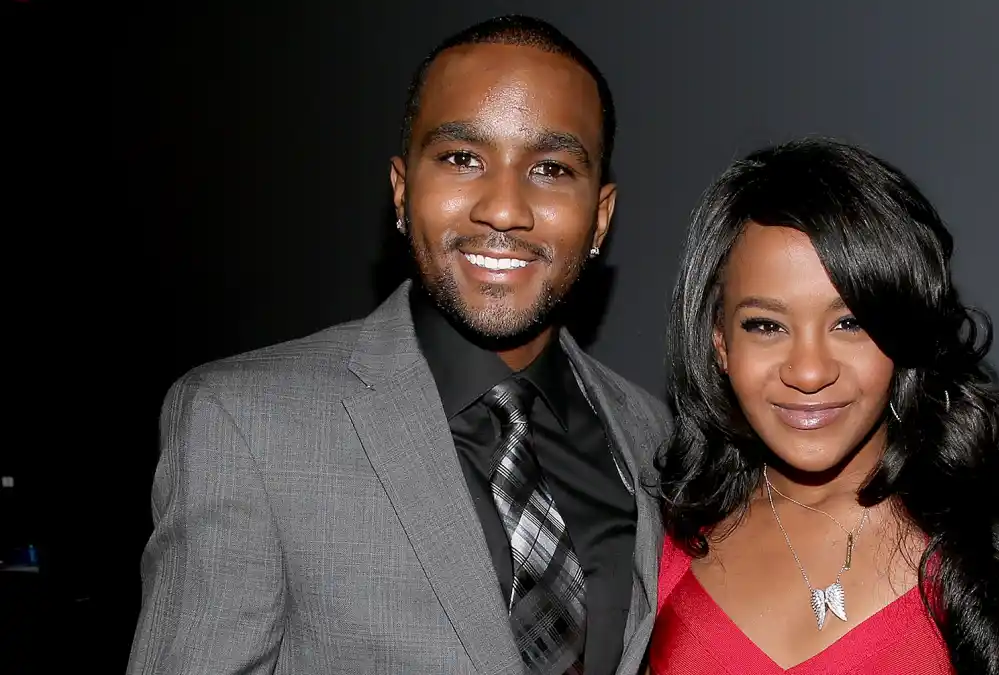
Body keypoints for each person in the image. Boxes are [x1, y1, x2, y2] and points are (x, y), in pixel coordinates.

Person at [127, 15, 671, 675]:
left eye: (551, 168)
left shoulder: (648, 435)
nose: (503, 208)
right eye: (462, 158)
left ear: (600, 217)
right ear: (402, 190)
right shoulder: (243, 422)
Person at [648, 139, 999, 674]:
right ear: (720, 343)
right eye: (766, 325)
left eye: (850, 323)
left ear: (902, 335)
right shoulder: (654, 554)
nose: (809, 372)